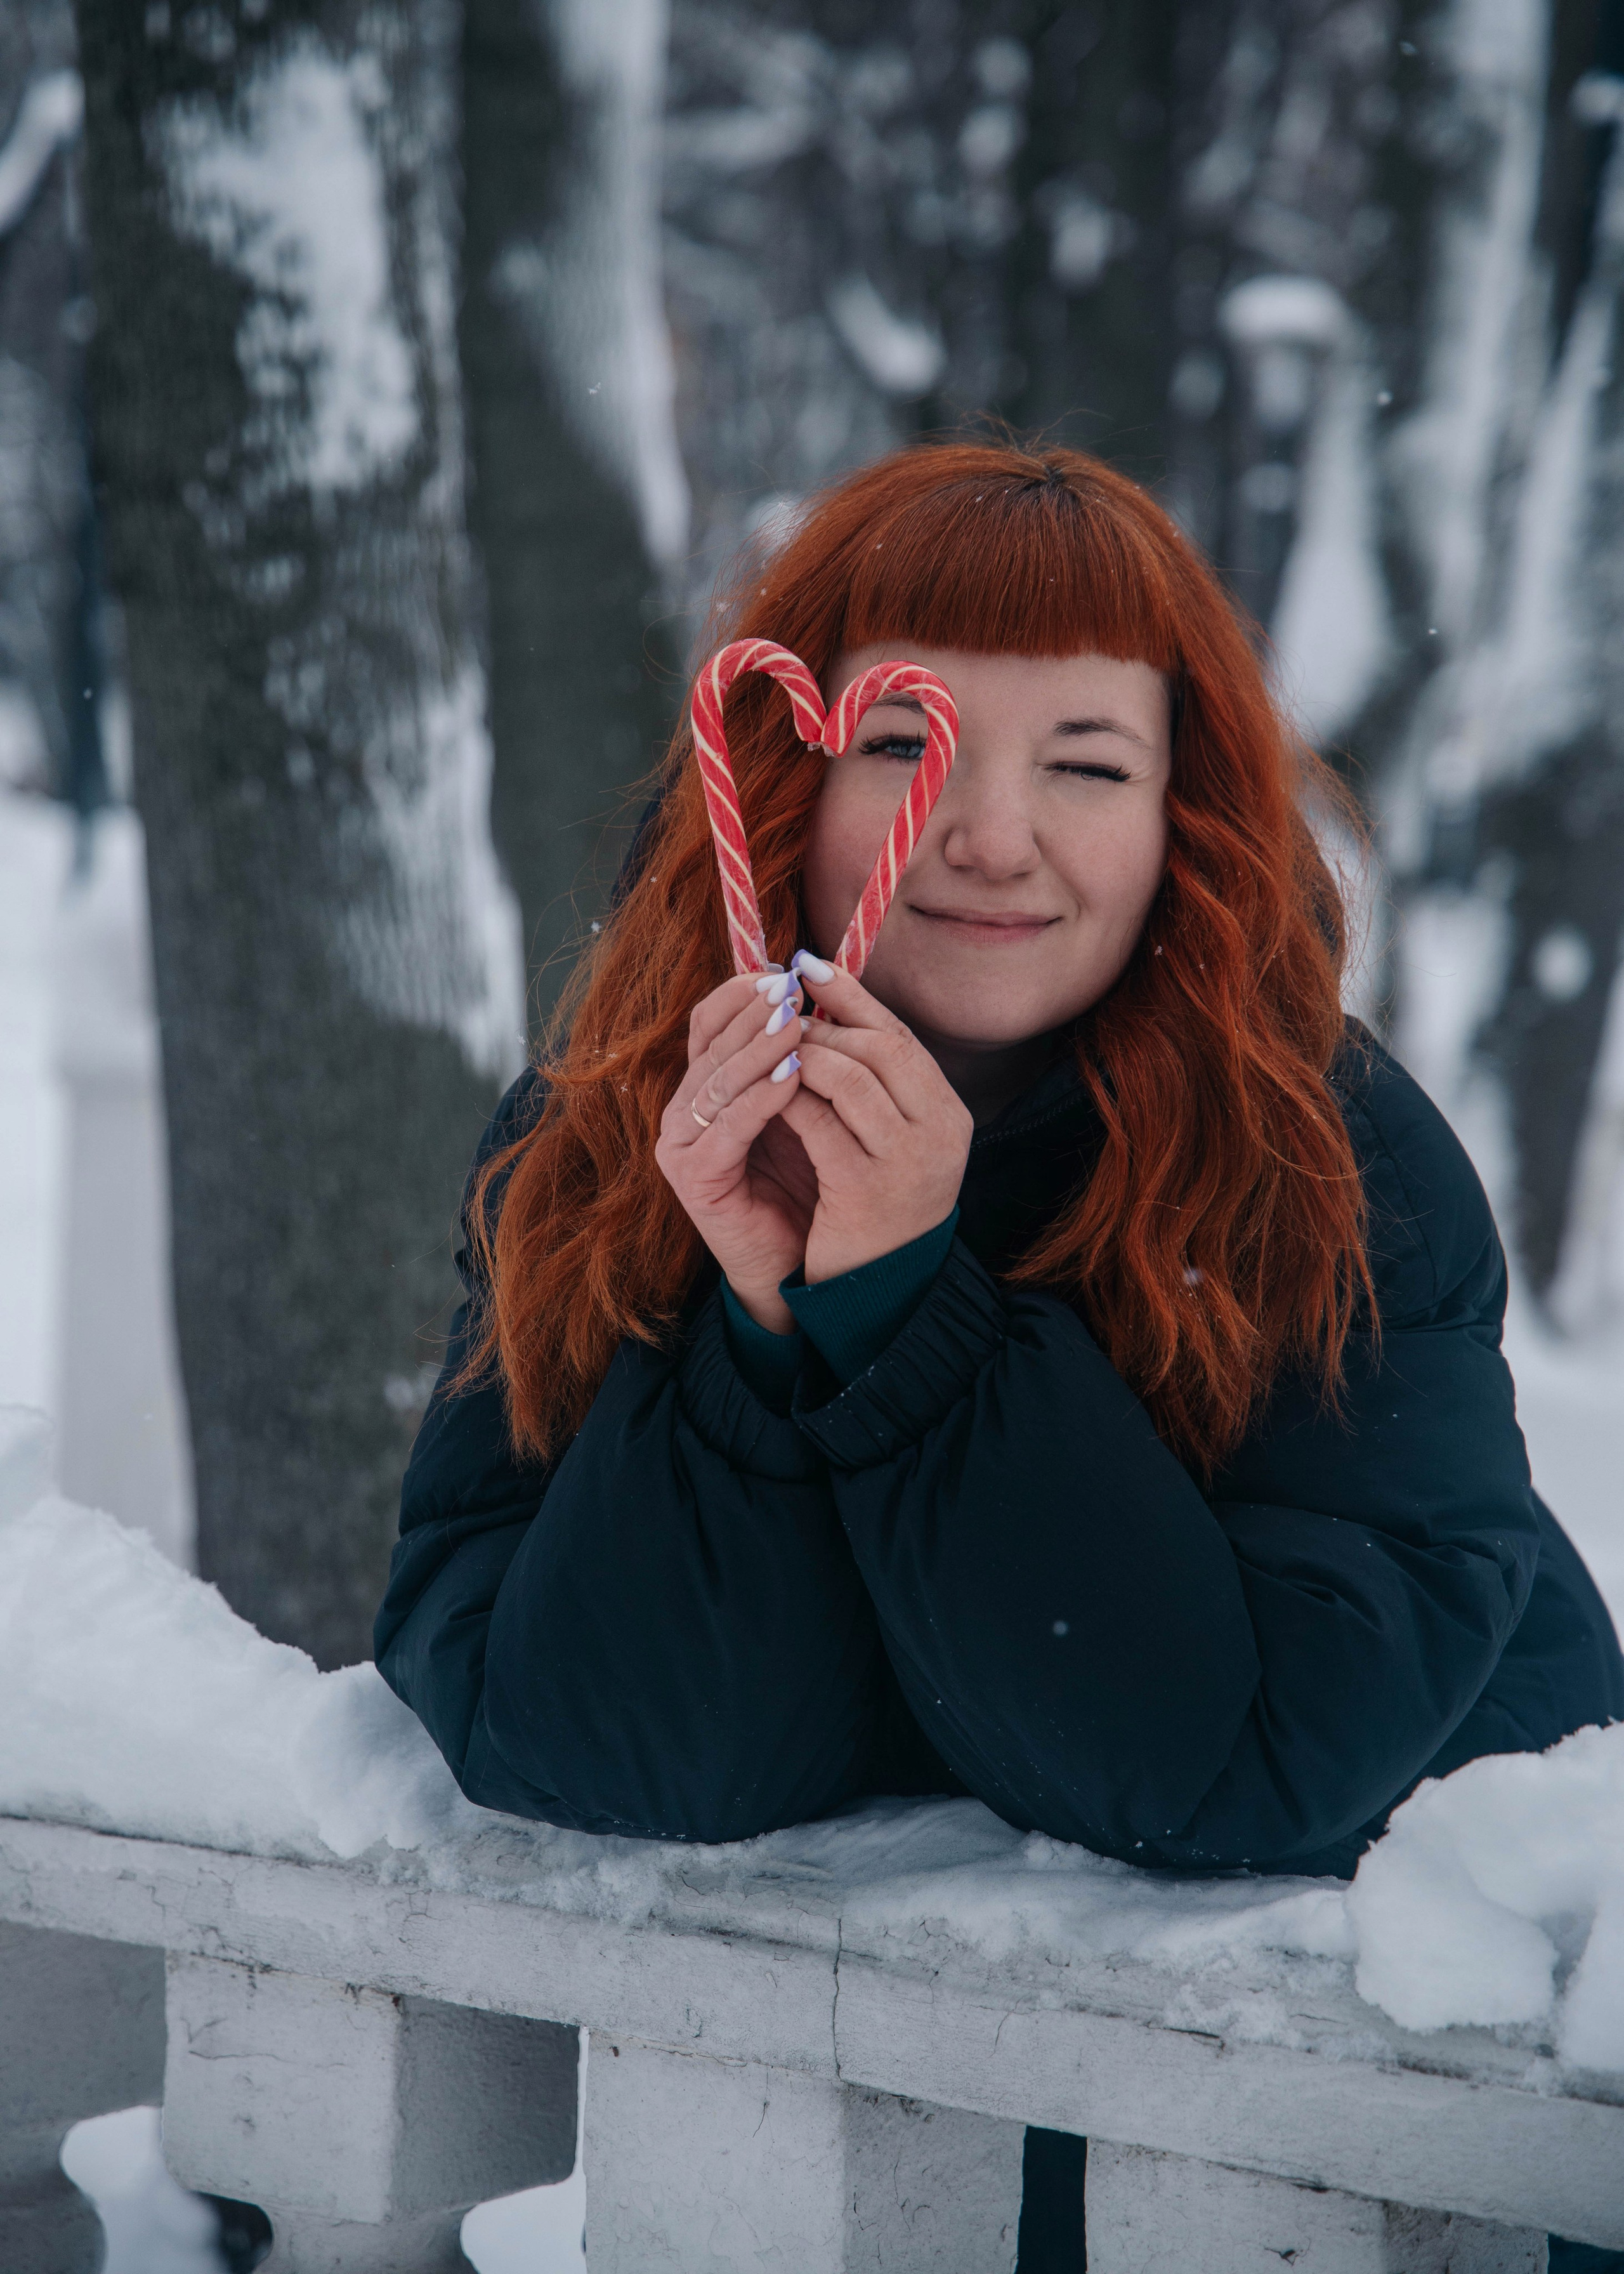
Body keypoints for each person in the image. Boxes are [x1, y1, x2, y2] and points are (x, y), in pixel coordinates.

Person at [375, 442, 1623, 2266]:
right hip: (895, 2137)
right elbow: (601, 1742)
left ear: (1184, 818)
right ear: (780, 774)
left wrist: (906, 1306)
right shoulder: (599, 1148)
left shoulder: (1330, 1168)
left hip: (1398, 2139)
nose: (990, 833)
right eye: (908, 742)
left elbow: (1234, 1772)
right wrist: (769, 1317)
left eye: (1088, 765)